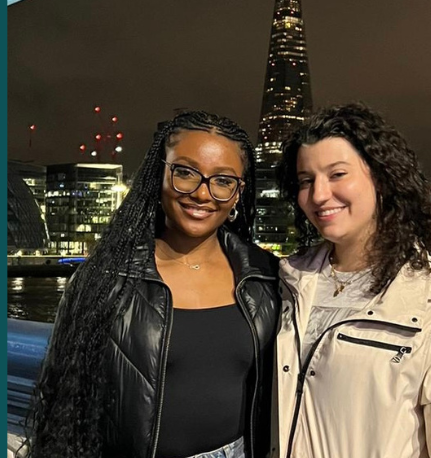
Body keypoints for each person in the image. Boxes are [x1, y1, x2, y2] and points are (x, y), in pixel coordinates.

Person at [21, 111, 280, 458]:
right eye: (185, 173)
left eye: (223, 180)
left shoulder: (265, 276)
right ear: (160, 174)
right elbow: (64, 400)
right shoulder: (106, 278)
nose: (203, 194)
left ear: (238, 193)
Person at [272, 103, 431, 458]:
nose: (318, 195)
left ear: (381, 179)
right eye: (305, 181)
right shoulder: (288, 282)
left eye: (337, 174)